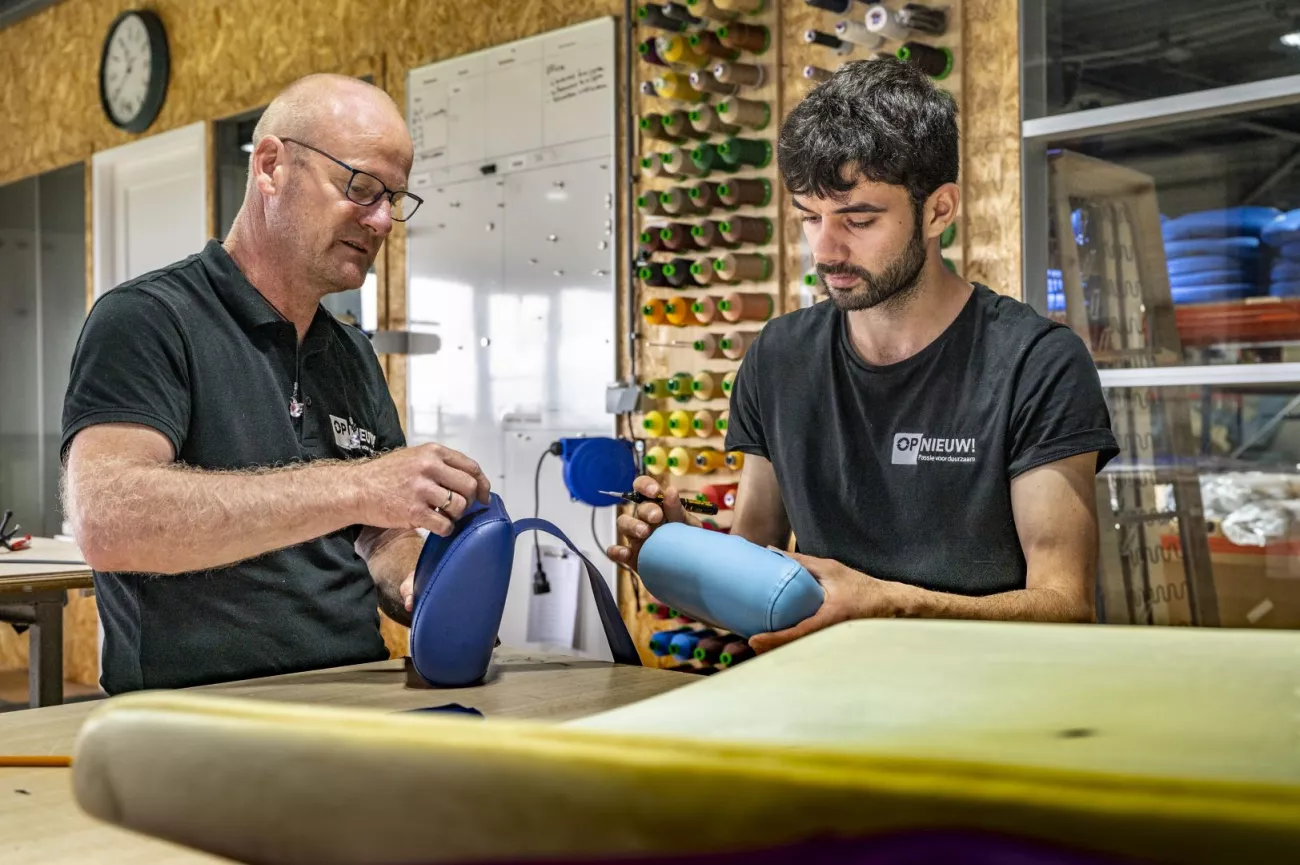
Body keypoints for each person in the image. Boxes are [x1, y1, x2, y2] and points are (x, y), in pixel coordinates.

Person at [608, 59, 1119, 653]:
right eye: (809, 217)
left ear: (939, 210)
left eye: (859, 219)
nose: (826, 249)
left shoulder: (1037, 363)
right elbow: (753, 564)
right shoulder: (778, 358)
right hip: (818, 709)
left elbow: (1064, 603)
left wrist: (888, 604)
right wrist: (685, 556)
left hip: (984, 712)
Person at [61, 74, 490, 694]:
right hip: (194, 722)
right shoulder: (147, 319)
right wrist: (361, 485)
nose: (383, 221)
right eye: (363, 188)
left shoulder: (351, 354)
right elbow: (110, 522)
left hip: (352, 697)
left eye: (395, 198)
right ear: (270, 167)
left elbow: (381, 529)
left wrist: (420, 581)